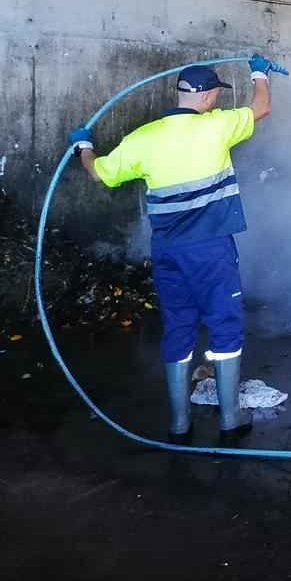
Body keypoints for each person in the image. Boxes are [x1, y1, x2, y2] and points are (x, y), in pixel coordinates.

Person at [68, 55, 279, 444]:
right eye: (215, 93)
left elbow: (99, 172)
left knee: (179, 328)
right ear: (205, 97)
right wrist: (259, 72)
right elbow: (261, 106)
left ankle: (179, 423)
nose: (217, 99)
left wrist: (83, 145)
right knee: (223, 324)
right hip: (211, 251)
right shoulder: (216, 127)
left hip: (168, 252)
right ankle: (231, 418)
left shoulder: (143, 139)